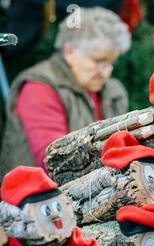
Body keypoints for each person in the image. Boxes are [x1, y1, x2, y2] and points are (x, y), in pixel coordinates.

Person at [0, 7, 131, 179]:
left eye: (110, 63)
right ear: (69, 51)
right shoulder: (39, 87)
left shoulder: (112, 91)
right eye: (98, 61)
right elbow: (55, 162)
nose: (106, 72)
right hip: (40, 199)